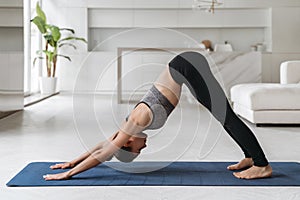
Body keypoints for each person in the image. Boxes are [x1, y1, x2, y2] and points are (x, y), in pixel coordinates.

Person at [43, 51, 272, 181]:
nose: (144, 148)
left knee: (226, 116)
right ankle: (250, 157)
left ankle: (262, 165)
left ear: (129, 142)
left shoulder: (136, 121)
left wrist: (70, 173)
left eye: (138, 150)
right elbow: (105, 144)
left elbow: (105, 152)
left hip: (185, 67)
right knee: (224, 115)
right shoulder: (129, 128)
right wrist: (72, 160)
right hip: (185, 67)